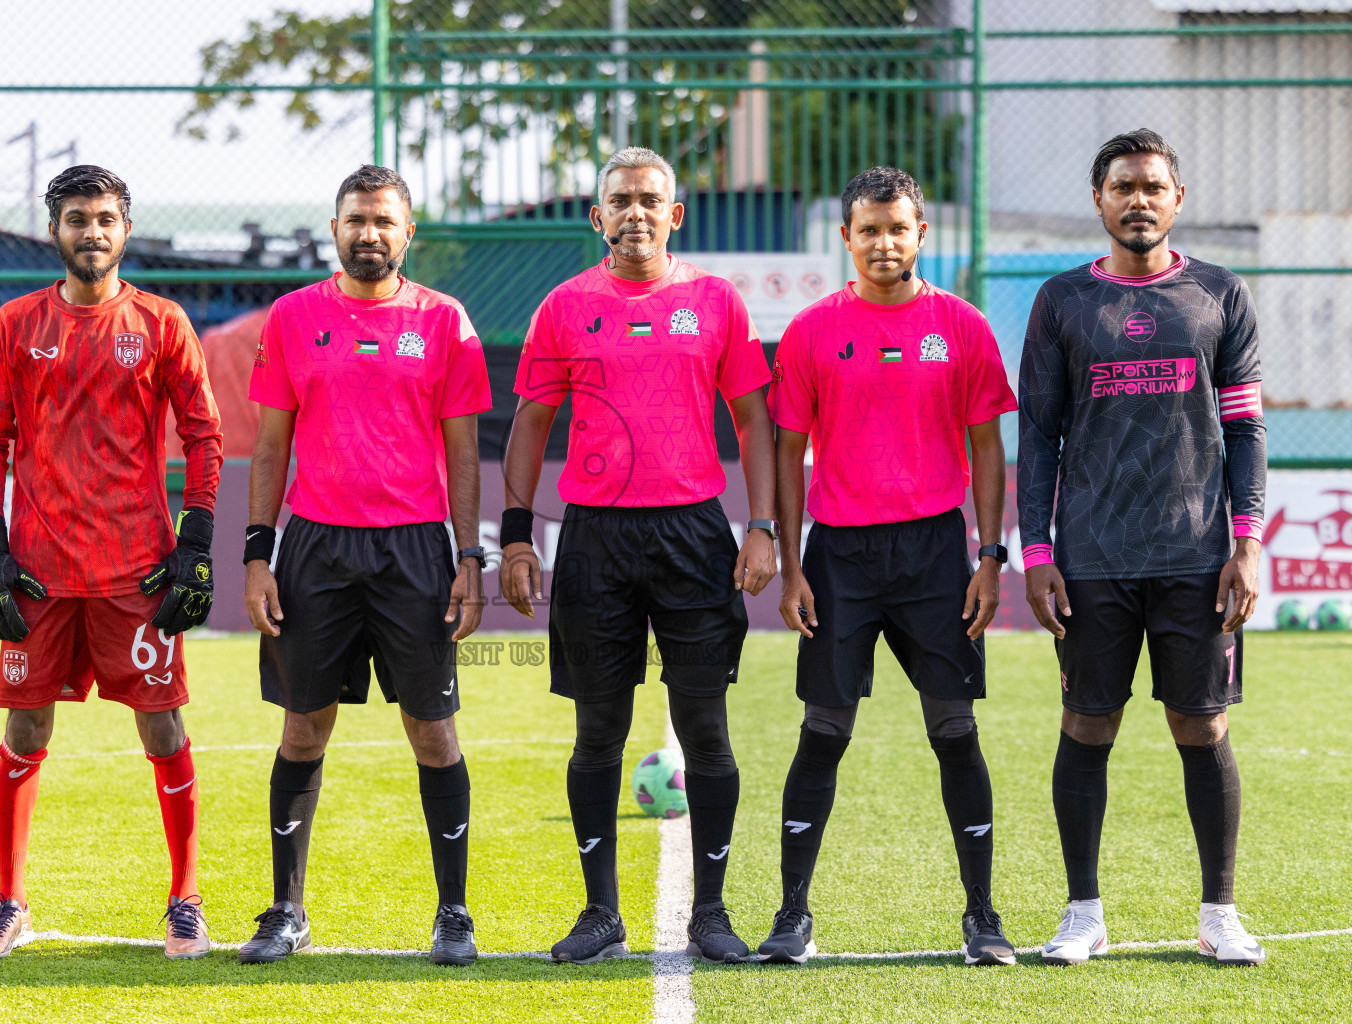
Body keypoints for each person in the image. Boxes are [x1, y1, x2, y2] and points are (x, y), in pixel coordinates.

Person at [500, 146, 777, 964]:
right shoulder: (563, 307)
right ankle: (600, 914)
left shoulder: (715, 303)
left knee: (706, 730)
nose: (635, 213)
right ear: (597, 216)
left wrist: (760, 524)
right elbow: (529, 424)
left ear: (675, 214)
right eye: (620, 200)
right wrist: (516, 534)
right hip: (595, 537)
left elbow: (756, 421)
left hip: (694, 533)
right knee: (598, 733)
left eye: (650, 200)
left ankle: (713, 913)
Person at [1019, 129, 1268, 966]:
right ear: (1099, 200)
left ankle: (1220, 913)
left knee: (1202, 730)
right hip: (1091, 559)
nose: (1139, 200)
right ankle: (1083, 912)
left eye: (1153, 186)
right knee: (1087, 725)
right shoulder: (1060, 302)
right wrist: (1037, 553)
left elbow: (1245, 430)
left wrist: (1248, 541)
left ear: (1178, 199)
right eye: (1122, 186)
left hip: (1197, 558)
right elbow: (1040, 439)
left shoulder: (1220, 294)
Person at [759, 166, 1019, 966]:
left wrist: (989, 554)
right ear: (847, 239)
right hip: (840, 554)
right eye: (868, 230)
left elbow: (985, 446)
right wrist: (794, 565)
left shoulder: (963, 327)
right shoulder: (810, 331)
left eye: (897, 228)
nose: (883, 243)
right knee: (823, 731)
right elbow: (789, 449)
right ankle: (792, 916)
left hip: (938, 552)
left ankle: (982, 916)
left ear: (920, 235)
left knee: (954, 729)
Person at [0, 165, 223, 960]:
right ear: (55, 231)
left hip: (134, 568)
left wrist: (196, 544)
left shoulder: (162, 322)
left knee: (161, 725)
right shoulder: (15, 323)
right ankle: (10, 901)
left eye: (106, 218)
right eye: (77, 218)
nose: (92, 232)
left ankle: (184, 898)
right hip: (40, 571)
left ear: (126, 229)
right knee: (26, 722)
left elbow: (203, 435)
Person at [238, 165, 491, 967]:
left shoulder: (444, 321)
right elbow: (270, 445)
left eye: (384, 220)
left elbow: (462, 453)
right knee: (303, 728)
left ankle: (453, 913)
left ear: (407, 232)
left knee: (434, 734)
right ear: (335, 228)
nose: (369, 233)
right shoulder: (292, 317)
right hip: (314, 545)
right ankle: (286, 910)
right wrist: (257, 553)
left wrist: (470, 556)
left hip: (415, 548)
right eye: (356, 220)